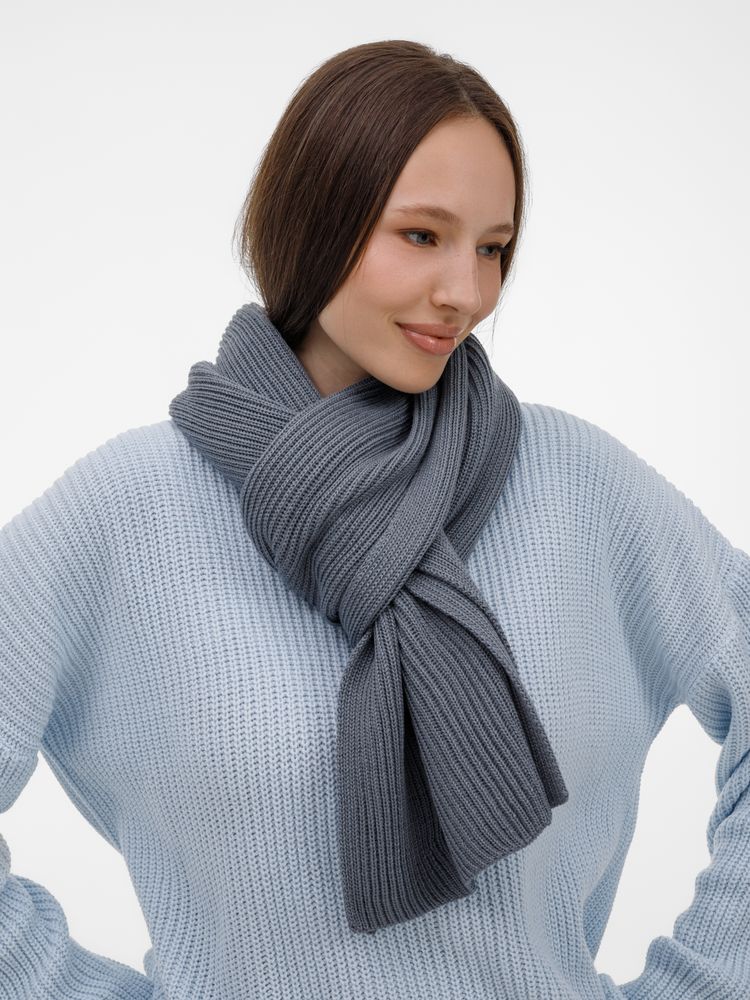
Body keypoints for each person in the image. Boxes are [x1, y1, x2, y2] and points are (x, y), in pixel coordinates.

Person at [1, 37, 748, 1000]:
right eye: (423, 236)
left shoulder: (583, 490)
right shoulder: (129, 511)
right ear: (314, 221)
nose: (466, 293)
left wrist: (706, 981)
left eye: (493, 248)